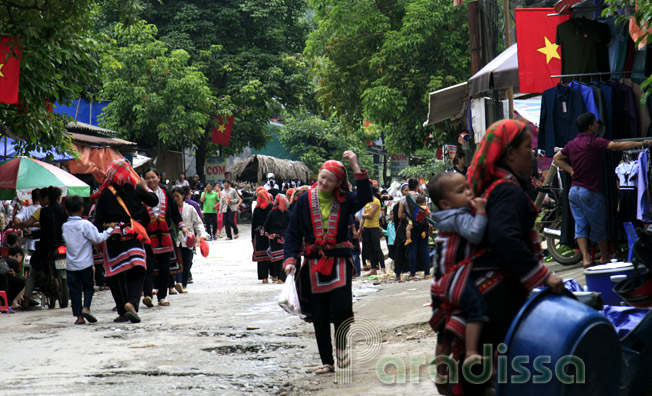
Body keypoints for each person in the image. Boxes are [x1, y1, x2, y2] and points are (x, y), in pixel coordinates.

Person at [446, 119, 564, 395]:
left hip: (479, 289)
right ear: (510, 153)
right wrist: (544, 275)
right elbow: (504, 238)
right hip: (496, 295)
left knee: (482, 375)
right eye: (528, 147)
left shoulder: (490, 186)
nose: (532, 154)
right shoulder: (507, 189)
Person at [283, 150, 372, 374]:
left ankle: (342, 355)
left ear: (338, 184)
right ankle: (327, 362)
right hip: (313, 262)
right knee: (320, 315)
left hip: (339, 260)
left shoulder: (345, 200)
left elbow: (365, 197)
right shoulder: (303, 201)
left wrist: (354, 164)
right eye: (322, 177)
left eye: (329, 180)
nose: (324, 182)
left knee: (341, 310)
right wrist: (290, 259)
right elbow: (293, 233)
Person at [553, 112, 652, 268]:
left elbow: (557, 157)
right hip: (589, 192)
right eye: (596, 123)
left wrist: (571, 171)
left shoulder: (572, 144)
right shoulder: (593, 142)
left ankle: (586, 258)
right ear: (590, 127)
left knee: (580, 225)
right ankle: (604, 256)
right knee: (598, 224)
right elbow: (617, 146)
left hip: (574, 191)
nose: (598, 125)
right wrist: (642, 144)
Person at [427, 171, 489, 367]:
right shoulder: (457, 216)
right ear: (446, 203)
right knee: (477, 308)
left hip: (441, 282)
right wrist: (480, 211)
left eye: (468, 187)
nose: (469, 193)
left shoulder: (447, 216)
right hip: (454, 279)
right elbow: (475, 233)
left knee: (445, 326)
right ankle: (471, 352)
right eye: (462, 191)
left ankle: (442, 369)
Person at [94, 159, 159, 323]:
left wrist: (97, 240)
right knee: (137, 271)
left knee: (115, 275)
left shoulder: (106, 192)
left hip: (113, 238)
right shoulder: (136, 188)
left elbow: (98, 219)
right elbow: (154, 201)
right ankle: (132, 303)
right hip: (133, 237)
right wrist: (143, 186)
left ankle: (123, 311)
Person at [62, 195, 116, 325]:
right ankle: (86, 307)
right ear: (82, 209)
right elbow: (98, 238)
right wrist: (110, 229)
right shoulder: (85, 224)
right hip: (85, 264)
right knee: (88, 288)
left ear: (66, 211)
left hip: (71, 265)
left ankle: (79, 317)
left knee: (75, 291)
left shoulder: (65, 226)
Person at [142, 168, 187, 308]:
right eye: (148, 178)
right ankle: (148, 295)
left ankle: (162, 297)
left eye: (153, 177)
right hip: (148, 237)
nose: (151, 180)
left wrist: (182, 226)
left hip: (165, 235)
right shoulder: (140, 195)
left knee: (164, 268)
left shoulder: (165, 193)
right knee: (148, 267)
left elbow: (174, 213)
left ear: (158, 178)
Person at [171, 187, 208, 292]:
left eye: (177, 197)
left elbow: (198, 223)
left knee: (187, 262)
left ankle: (183, 283)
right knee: (178, 261)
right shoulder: (171, 209)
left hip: (189, 239)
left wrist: (202, 235)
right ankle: (178, 283)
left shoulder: (190, 208)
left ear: (183, 196)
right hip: (176, 239)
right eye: (174, 197)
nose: (176, 199)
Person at [264, 194, 291, 284]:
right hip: (285, 238)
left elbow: (266, 225)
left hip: (274, 238)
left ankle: (279, 277)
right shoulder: (288, 213)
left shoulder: (271, 213)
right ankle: (282, 278)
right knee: (284, 257)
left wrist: (271, 233)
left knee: (276, 258)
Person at [360, 186, 385, 276]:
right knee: (369, 249)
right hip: (366, 228)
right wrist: (360, 228)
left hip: (374, 227)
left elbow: (370, 215)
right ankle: (373, 268)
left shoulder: (376, 201)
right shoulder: (367, 202)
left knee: (377, 248)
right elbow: (363, 217)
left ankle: (383, 268)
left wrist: (364, 214)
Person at [251, 187, 273, 283]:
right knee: (271, 254)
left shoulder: (256, 209)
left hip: (259, 235)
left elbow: (253, 224)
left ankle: (264, 278)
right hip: (269, 234)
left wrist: (252, 237)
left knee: (262, 257)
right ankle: (274, 275)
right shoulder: (271, 207)